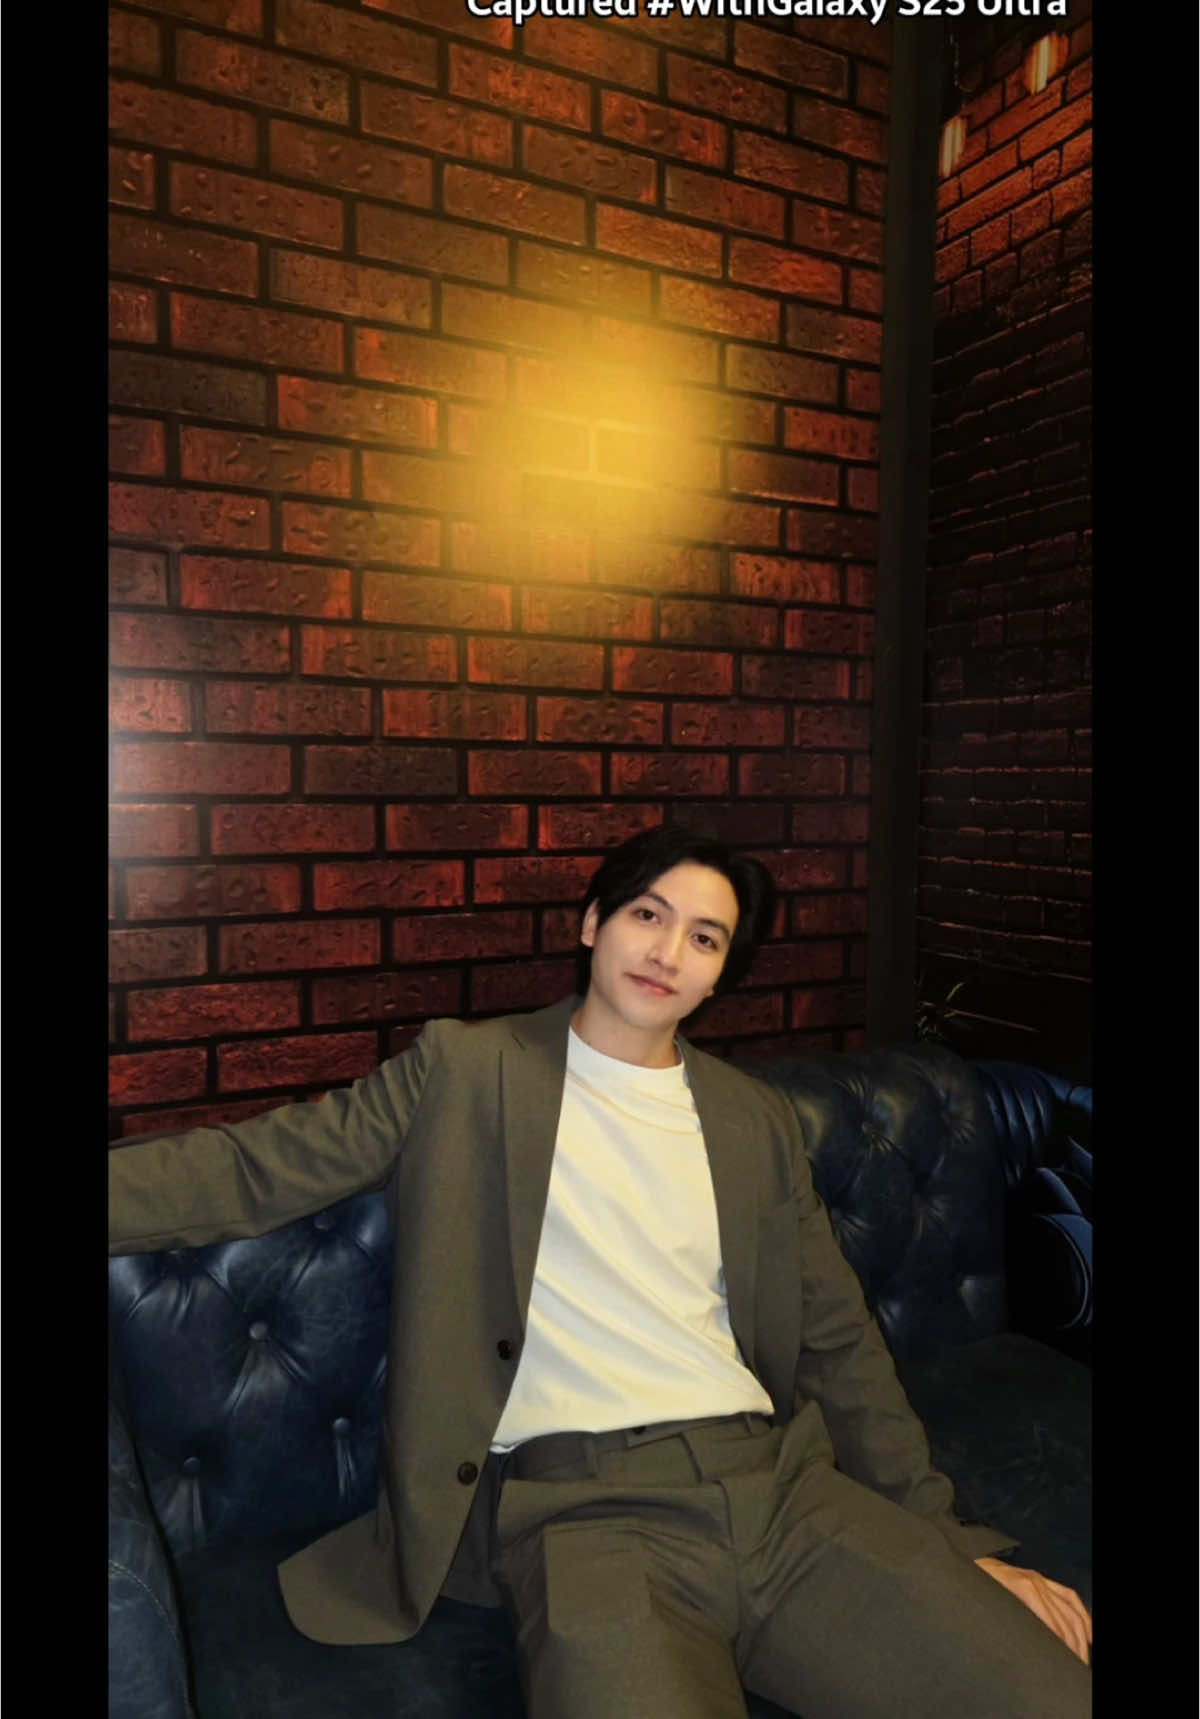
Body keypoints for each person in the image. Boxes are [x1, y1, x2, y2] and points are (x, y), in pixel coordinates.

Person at [109, 825, 1092, 1718]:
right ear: (593, 924)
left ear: (719, 976)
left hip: (783, 1489)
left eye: (704, 938)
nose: (668, 952)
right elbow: (252, 1167)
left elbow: (839, 1345)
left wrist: (951, 1538)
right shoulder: (467, 1069)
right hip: (584, 1516)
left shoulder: (752, 1121)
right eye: (648, 916)